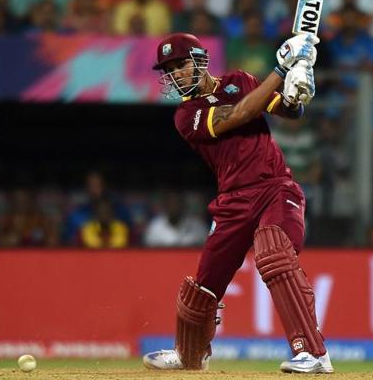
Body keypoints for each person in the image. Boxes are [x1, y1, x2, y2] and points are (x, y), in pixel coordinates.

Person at [142, 32, 334, 374]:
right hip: (232, 203)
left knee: (273, 252)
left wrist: (298, 84)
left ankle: (314, 354)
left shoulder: (240, 80)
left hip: (276, 189)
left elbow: (288, 110)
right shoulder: (187, 116)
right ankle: (189, 355)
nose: (176, 74)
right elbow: (241, 113)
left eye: (181, 64)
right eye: (169, 70)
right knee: (202, 288)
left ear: (201, 60)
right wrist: (280, 67)